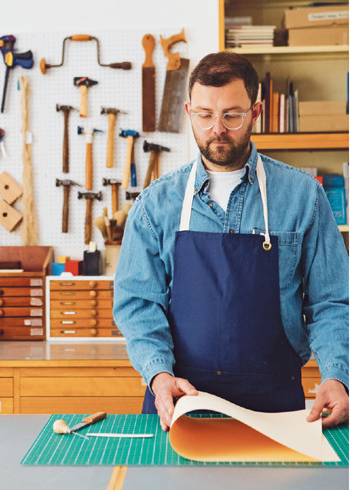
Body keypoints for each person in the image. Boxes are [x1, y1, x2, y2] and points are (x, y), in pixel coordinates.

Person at [113, 51, 349, 431]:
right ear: (189, 111)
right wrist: (158, 375)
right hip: (181, 404)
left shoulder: (303, 197)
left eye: (232, 115)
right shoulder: (155, 205)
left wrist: (337, 376)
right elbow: (138, 306)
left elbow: (332, 300)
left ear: (255, 112)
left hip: (277, 410)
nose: (217, 129)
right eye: (205, 115)